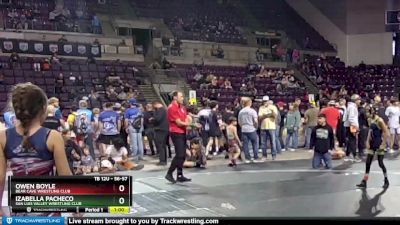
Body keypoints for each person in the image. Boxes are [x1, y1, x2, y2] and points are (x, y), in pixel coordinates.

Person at [0, 83, 71, 216]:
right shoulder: (53, 136)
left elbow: (0, 177)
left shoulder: (3, 137)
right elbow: (65, 176)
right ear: (44, 109)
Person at [356, 106, 390, 189]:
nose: (367, 113)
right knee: (368, 162)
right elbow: (370, 131)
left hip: (379, 143)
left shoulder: (380, 120)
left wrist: (383, 144)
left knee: (380, 163)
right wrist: (367, 141)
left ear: (373, 112)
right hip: (372, 143)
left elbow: (386, 132)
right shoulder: (370, 119)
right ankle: (364, 181)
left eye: (368, 112)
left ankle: (386, 180)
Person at [165, 91, 191, 183]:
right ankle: (169, 173)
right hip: (176, 132)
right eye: (181, 96)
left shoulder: (182, 107)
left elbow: (186, 118)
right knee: (179, 154)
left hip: (183, 132)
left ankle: (179, 175)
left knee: (183, 155)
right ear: (175, 97)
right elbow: (178, 122)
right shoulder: (172, 108)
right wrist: (190, 125)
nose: (182, 98)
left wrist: (190, 121)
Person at [238, 97, 260, 163]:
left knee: (245, 144)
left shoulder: (241, 111)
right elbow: (255, 121)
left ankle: (247, 158)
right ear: (249, 103)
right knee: (255, 144)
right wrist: (255, 127)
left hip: (244, 129)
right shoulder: (252, 111)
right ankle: (255, 157)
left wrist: (243, 126)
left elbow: (239, 121)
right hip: (251, 129)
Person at [343, 94, 361, 162]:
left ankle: (348, 155)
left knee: (350, 140)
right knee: (353, 141)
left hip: (350, 125)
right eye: (358, 99)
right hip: (351, 126)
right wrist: (355, 127)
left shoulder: (351, 106)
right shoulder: (352, 107)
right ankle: (354, 155)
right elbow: (351, 118)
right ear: (355, 100)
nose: (360, 101)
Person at [153, 100, 169, 165]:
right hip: (165, 129)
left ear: (156, 104)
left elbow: (157, 119)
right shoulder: (165, 110)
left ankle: (162, 160)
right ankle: (164, 159)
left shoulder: (160, 110)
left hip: (160, 129)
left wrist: (153, 118)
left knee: (160, 145)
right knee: (163, 145)